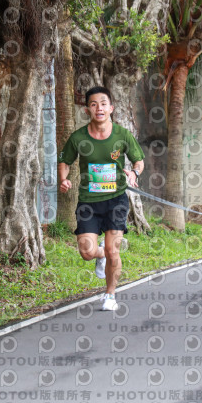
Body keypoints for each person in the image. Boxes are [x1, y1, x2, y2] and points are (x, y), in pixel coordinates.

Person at [57, 86, 145, 310]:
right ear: (88, 110)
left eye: (103, 104)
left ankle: (110, 295)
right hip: (88, 202)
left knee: (113, 250)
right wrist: (63, 179)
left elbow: (139, 161)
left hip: (116, 200)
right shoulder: (78, 137)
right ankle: (100, 255)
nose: (99, 108)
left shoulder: (122, 135)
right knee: (86, 251)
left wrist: (134, 173)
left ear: (111, 108)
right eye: (94, 104)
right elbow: (65, 161)